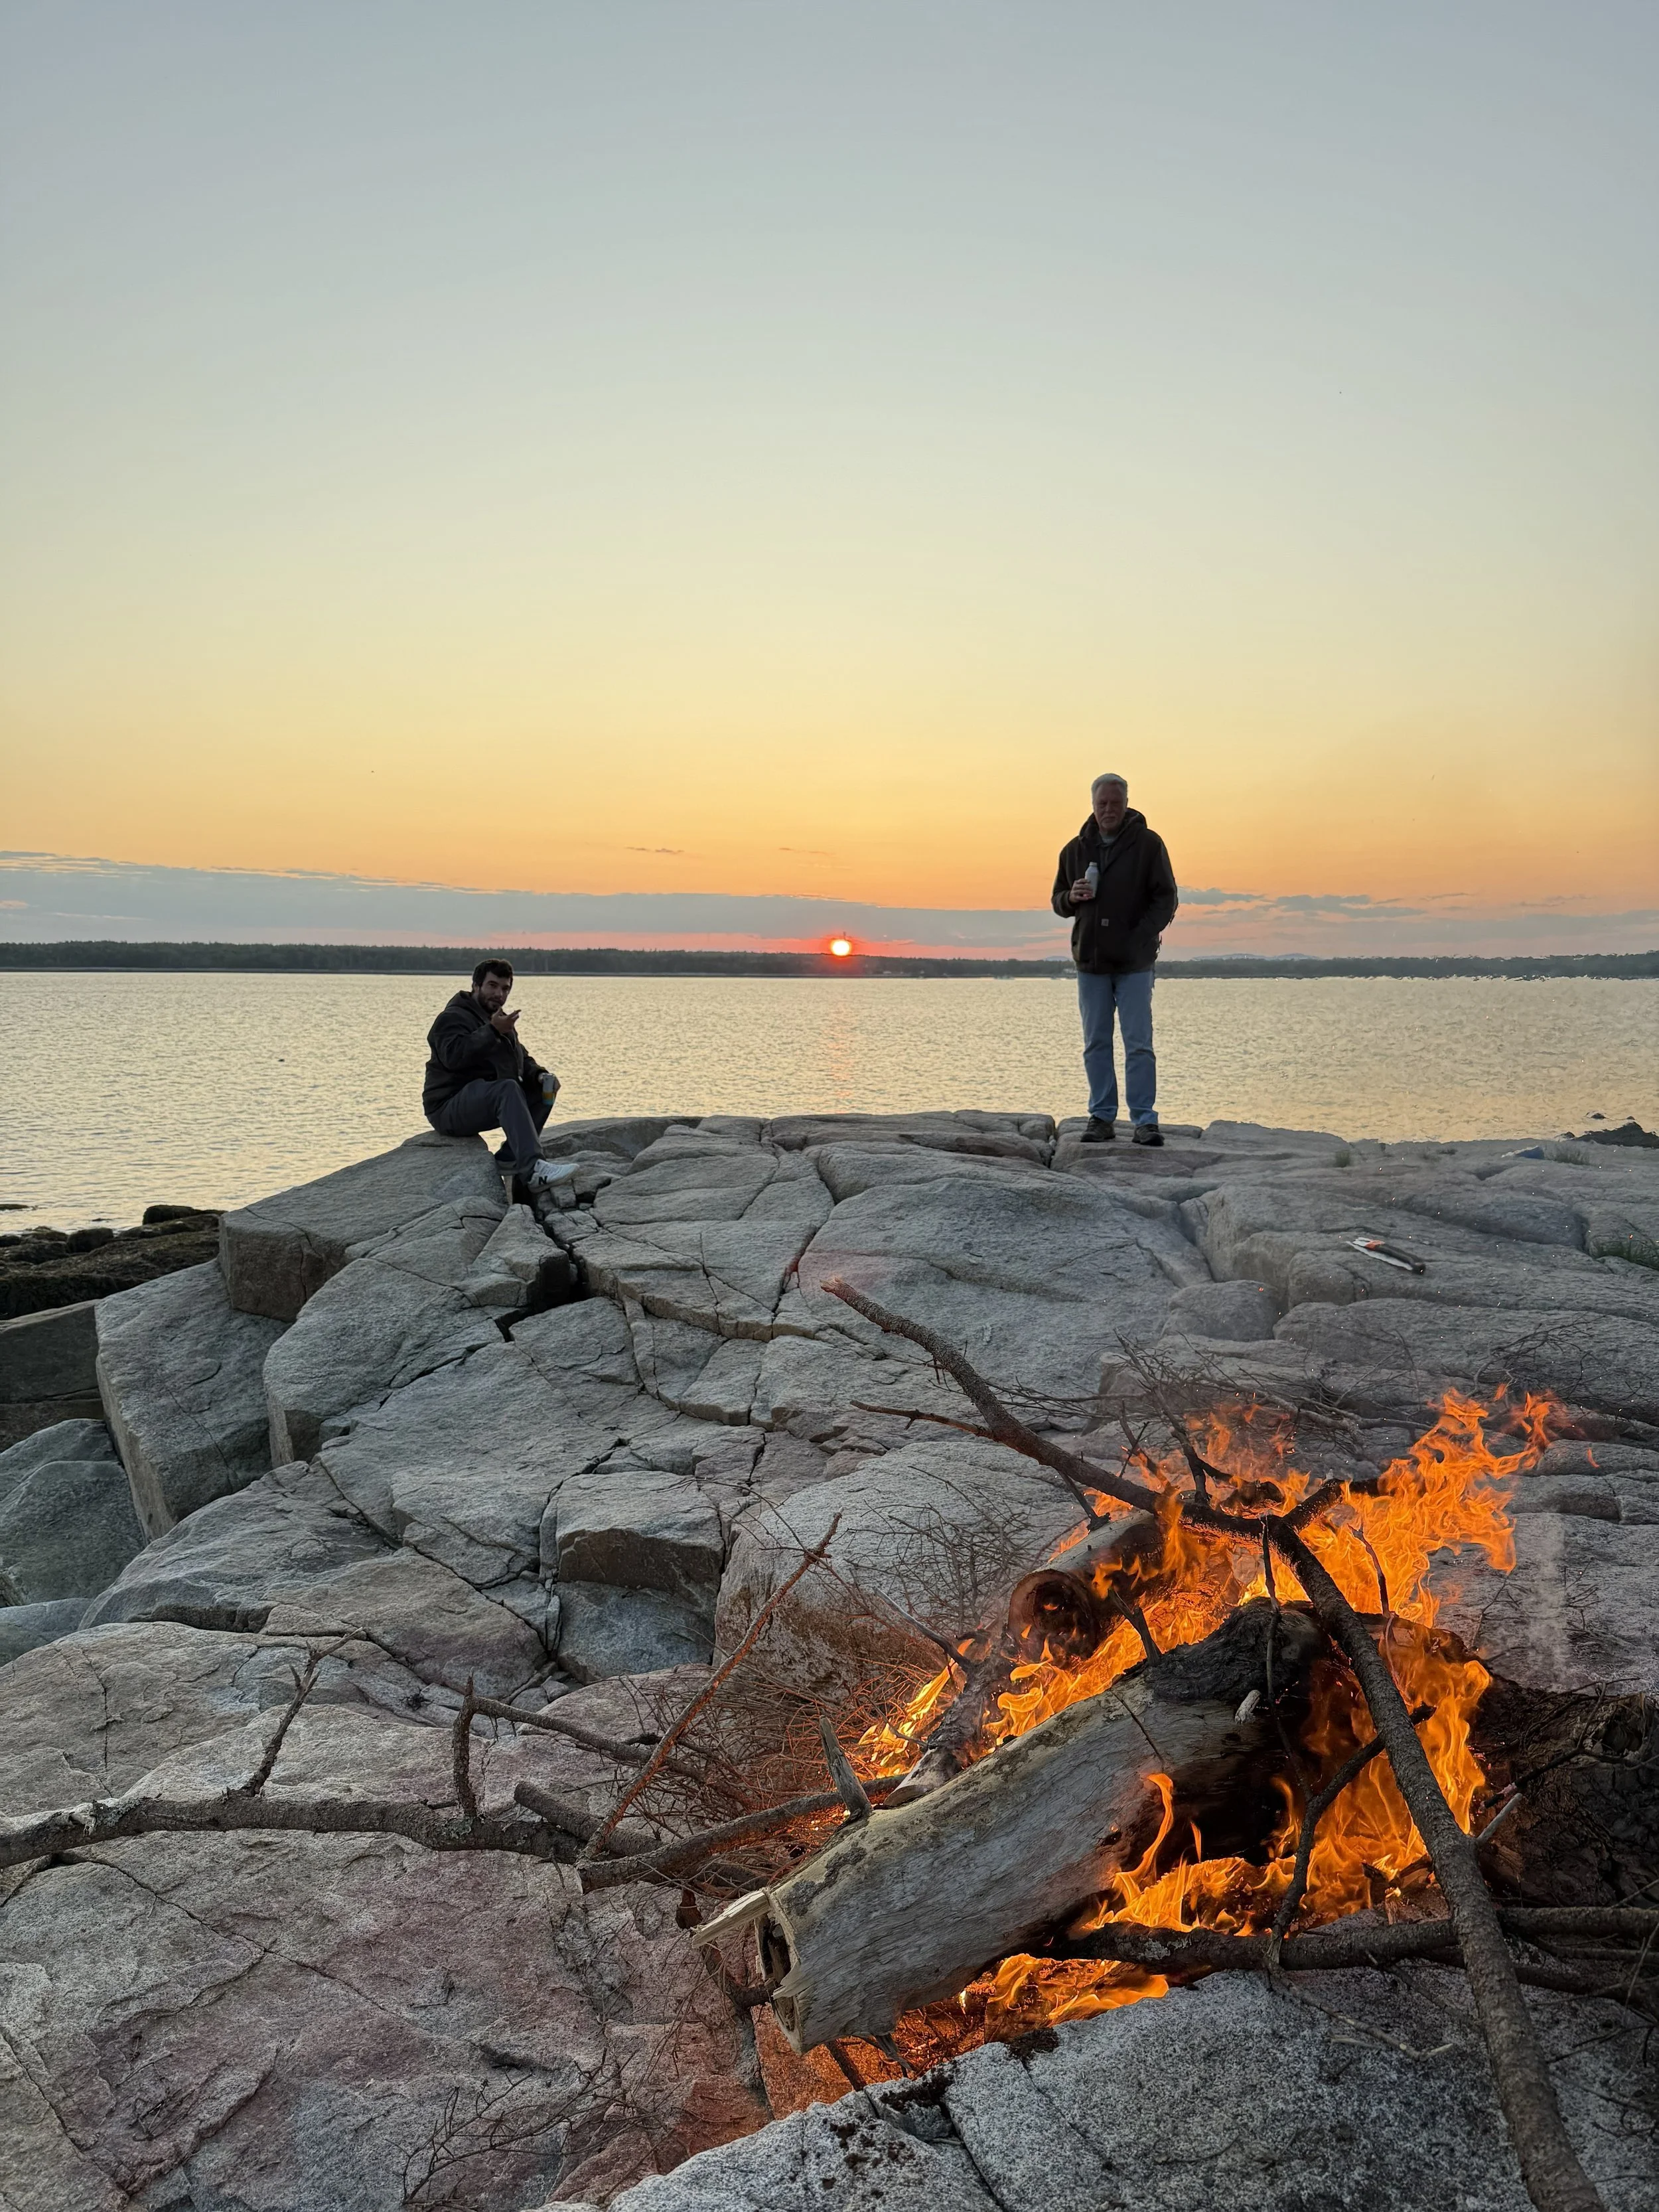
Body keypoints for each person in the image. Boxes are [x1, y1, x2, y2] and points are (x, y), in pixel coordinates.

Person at [1051, 773, 1179, 1146]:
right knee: (1096, 1042)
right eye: (1102, 803)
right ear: (1093, 805)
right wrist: (1071, 898)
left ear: (1126, 805)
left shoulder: (1149, 845)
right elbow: (1058, 900)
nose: (1108, 809)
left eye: (1115, 803)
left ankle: (1144, 1121)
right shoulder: (1074, 850)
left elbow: (1166, 898)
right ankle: (1102, 1117)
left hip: (1135, 963)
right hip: (1090, 963)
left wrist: (1140, 934)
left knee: (1138, 1043)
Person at [423, 959, 569, 1203]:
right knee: (507, 1089)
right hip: (447, 1107)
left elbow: (521, 1057)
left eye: (505, 988)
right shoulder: (451, 1018)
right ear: (476, 985)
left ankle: (510, 1157)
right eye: (492, 986)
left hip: (480, 1102)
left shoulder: (500, 1021)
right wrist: (492, 1032)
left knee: (544, 1088)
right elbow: (453, 1057)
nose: (499, 994)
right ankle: (534, 1169)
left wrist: (539, 1075)